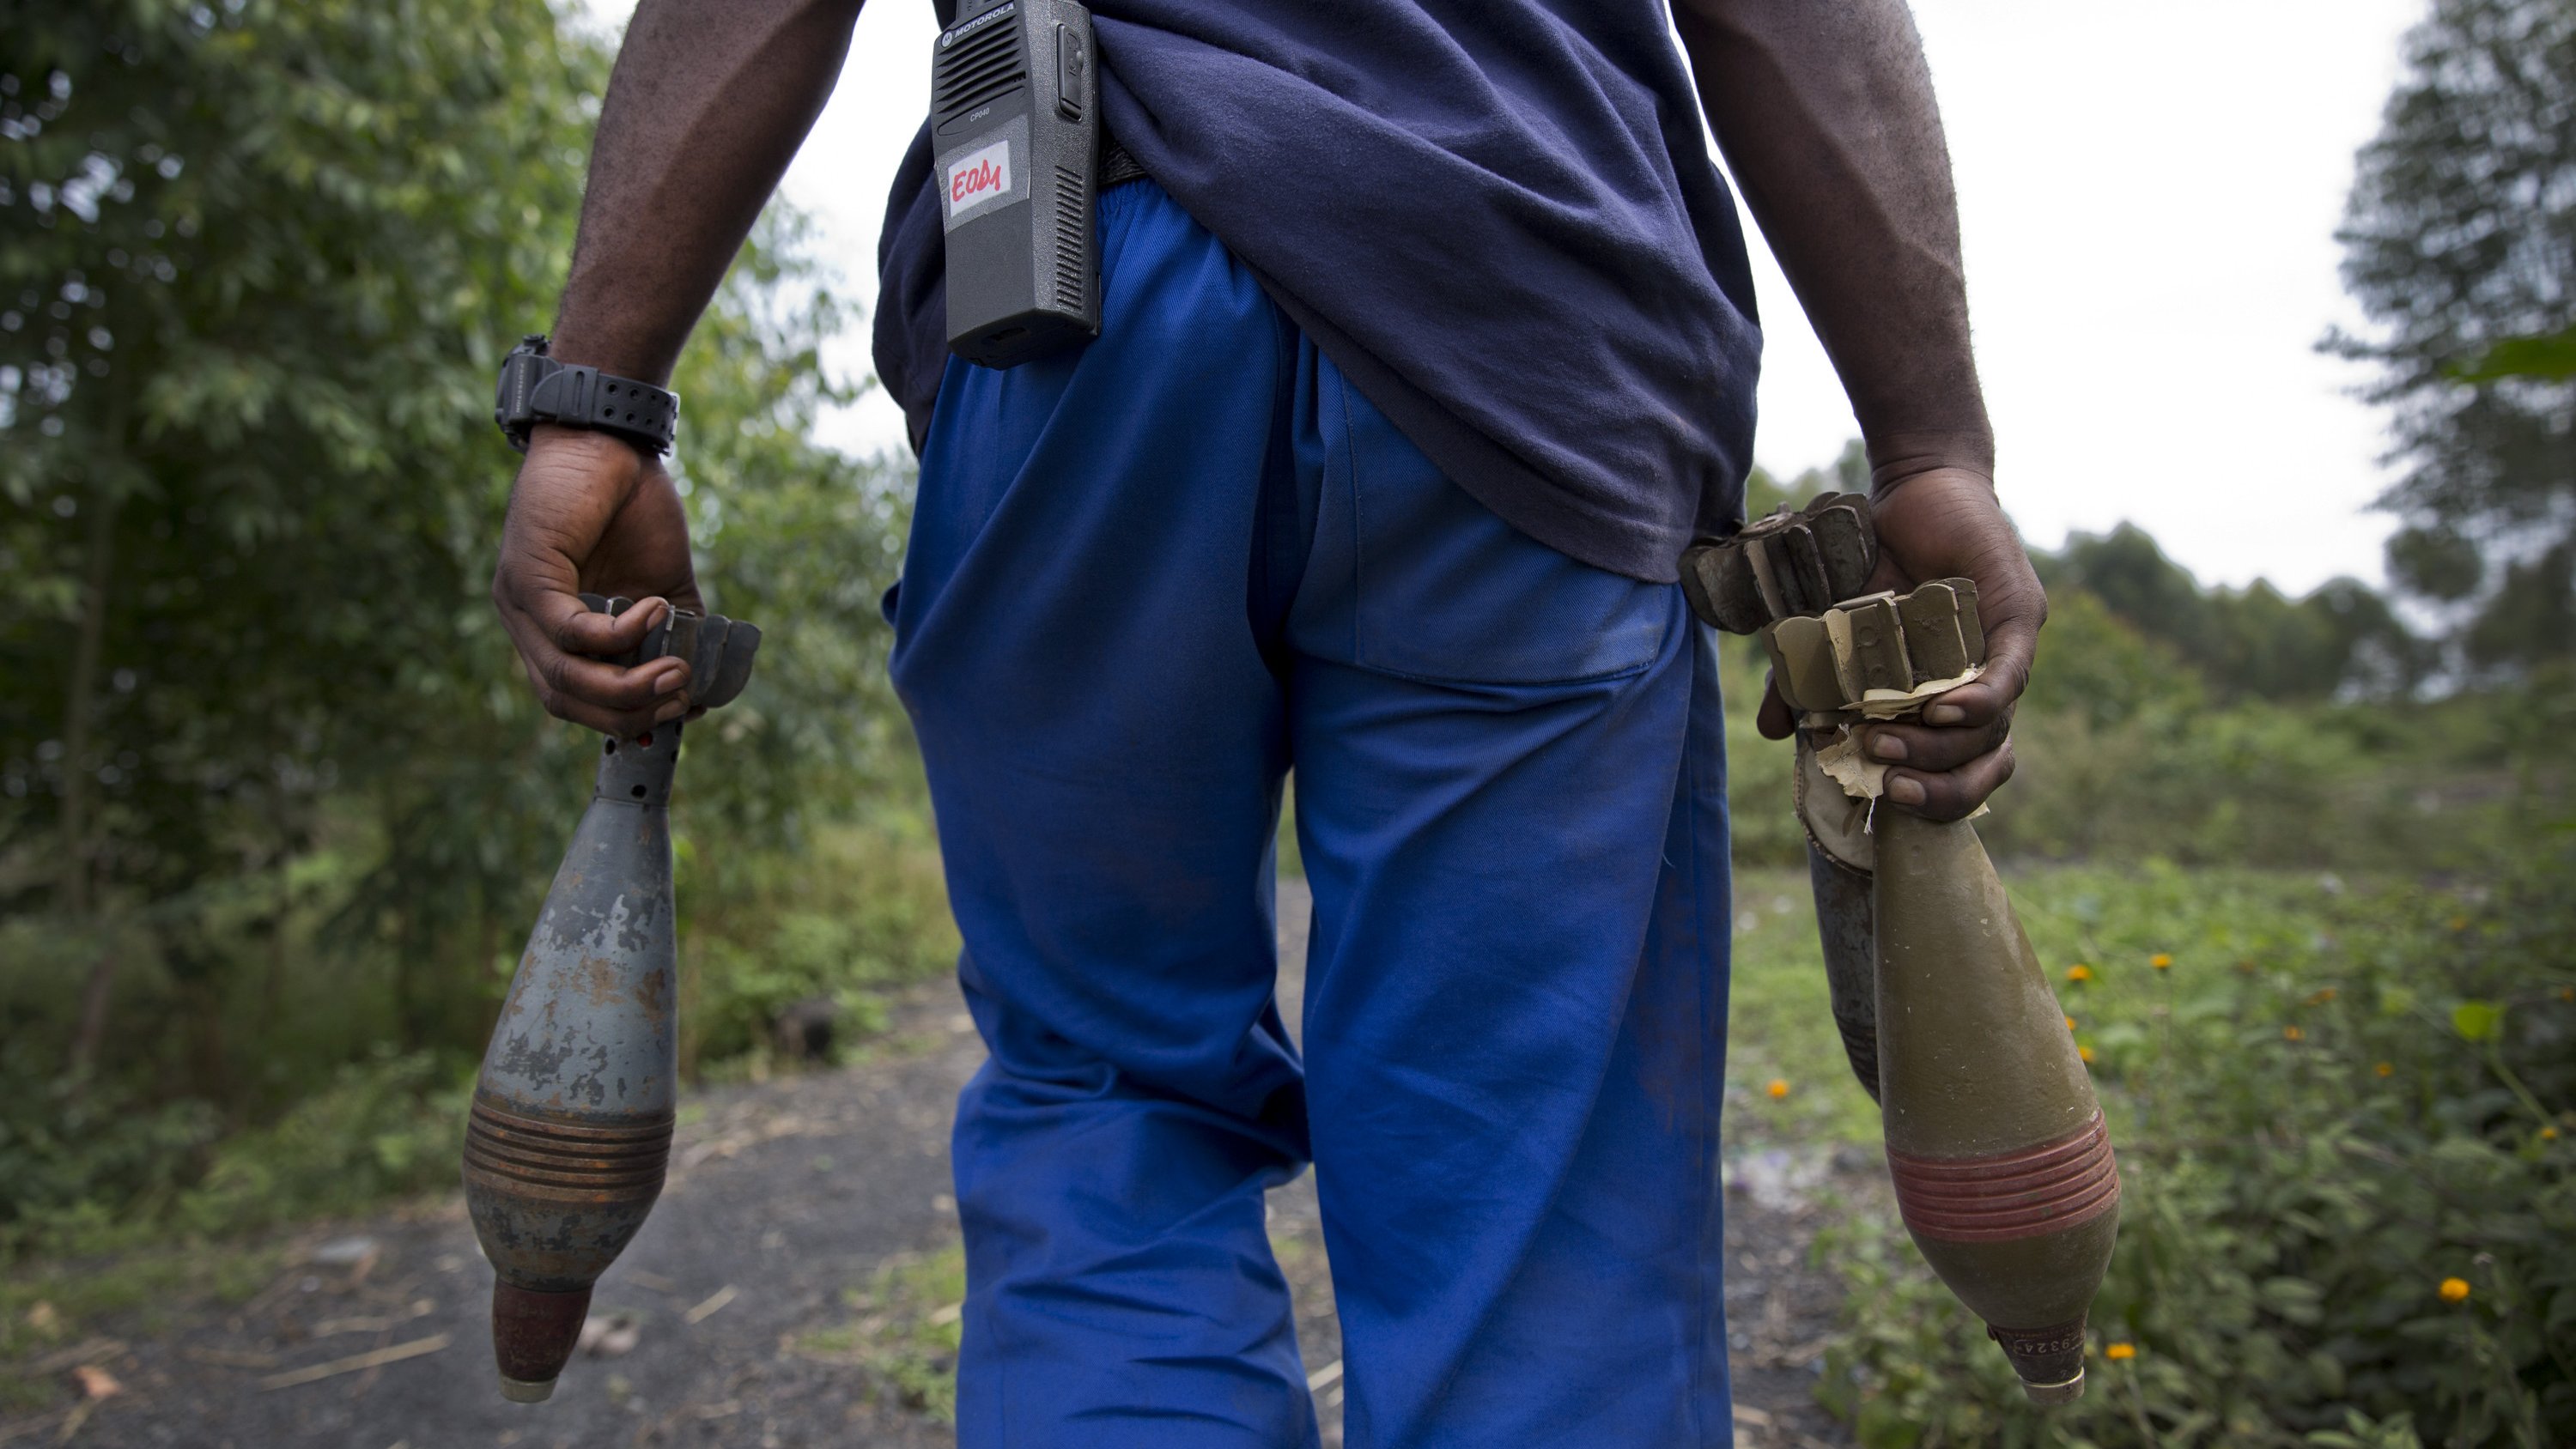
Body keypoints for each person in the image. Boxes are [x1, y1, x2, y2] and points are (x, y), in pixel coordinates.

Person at [488, 0, 2047, 1443]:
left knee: (1106, 1111)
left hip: (1065, 309)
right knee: (1530, 1201)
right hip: (1521, 336)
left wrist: (599, 399)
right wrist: (1930, 443)